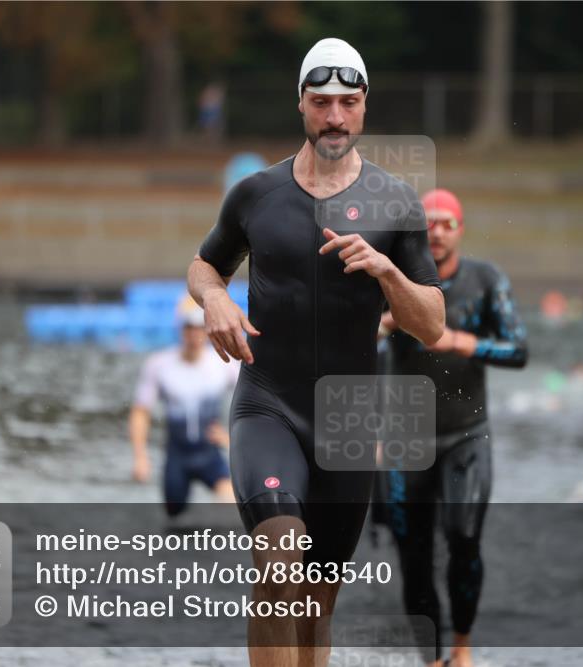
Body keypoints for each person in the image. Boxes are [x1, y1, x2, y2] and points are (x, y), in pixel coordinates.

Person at [188, 37, 445, 667]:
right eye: (322, 101)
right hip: (268, 403)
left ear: (363, 108)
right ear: (301, 104)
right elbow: (204, 266)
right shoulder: (256, 194)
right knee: (280, 561)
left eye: (347, 103)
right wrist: (214, 300)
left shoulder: (396, 203)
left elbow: (432, 324)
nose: (335, 117)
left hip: (348, 419)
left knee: (316, 600)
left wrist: (388, 271)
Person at [379, 188, 527, 667]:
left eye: (447, 223)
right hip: (406, 442)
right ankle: (432, 659)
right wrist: (379, 327)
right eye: (429, 223)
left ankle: (461, 647)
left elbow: (518, 350)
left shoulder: (485, 281)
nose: (437, 232)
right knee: (413, 557)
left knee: (464, 538)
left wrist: (460, 340)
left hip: (467, 436)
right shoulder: (391, 279)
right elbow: (345, 346)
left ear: (459, 231)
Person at [129, 305, 238, 515]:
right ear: (181, 330)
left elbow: (251, 402)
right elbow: (141, 412)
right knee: (174, 517)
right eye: (189, 329)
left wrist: (231, 439)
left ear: (207, 331)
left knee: (231, 505)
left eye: (199, 329)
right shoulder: (160, 365)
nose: (194, 335)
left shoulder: (224, 364)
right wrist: (140, 457)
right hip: (177, 454)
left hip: (209, 451)